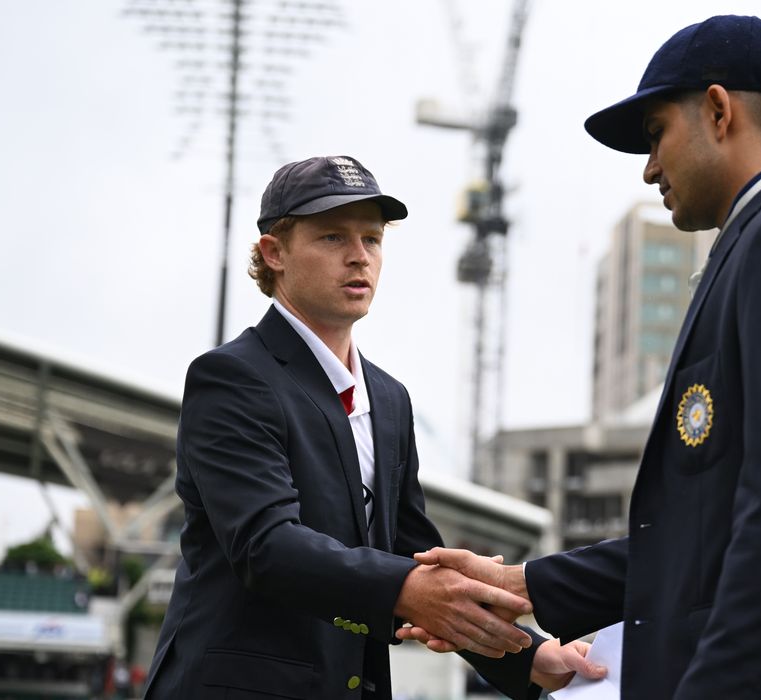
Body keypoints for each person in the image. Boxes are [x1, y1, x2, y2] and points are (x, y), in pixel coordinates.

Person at [404, 15, 761, 699]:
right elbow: (698, 540)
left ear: (717, 110)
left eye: (655, 134)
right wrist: (520, 584)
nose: (649, 167)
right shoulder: (752, 248)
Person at [143, 155, 602, 699]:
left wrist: (528, 653)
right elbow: (266, 546)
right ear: (275, 253)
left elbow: (415, 558)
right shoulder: (232, 377)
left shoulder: (389, 398)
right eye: (333, 237)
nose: (359, 256)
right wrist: (409, 587)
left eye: (373, 238)